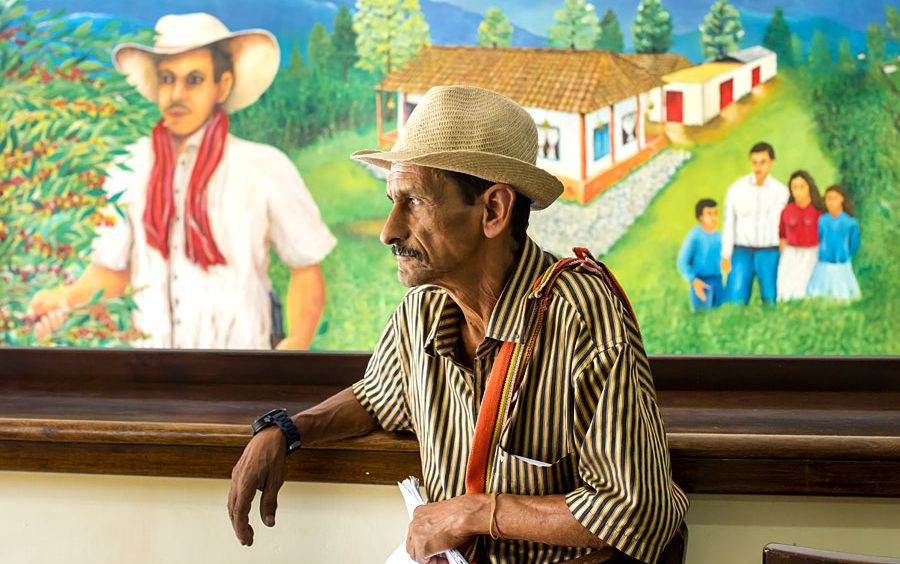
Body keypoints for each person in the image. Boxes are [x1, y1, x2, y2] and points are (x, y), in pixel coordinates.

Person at [227, 86, 687, 564]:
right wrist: (283, 432)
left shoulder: (580, 315)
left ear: (493, 211)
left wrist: (476, 513)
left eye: (415, 202)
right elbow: (378, 397)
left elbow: (641, 513)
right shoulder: (421, 310)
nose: (389, 230)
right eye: (392, 200)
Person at [26, 13, 335, 349]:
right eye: (167, 79)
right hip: (151, 373)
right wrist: (64, 300)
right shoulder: (128, 167)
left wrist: (295, 345)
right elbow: (110, 276)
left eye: (194, 80)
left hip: (240, 371)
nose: (176, 94)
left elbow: (305, 269)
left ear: (223, 85)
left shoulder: (263, 166)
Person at [720, 142, 789, 305]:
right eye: (755, 162)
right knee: (736, 300)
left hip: (769, 252)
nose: (758, 168)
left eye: (763, 162)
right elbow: (729, 223)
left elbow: (786, 226)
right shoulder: (736, 189)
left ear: (772, 162)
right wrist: (726, 254)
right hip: (742, 251)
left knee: (771, 298)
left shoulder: (781, 192)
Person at [807, 185, 861, 301]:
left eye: (834, 198)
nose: (831, 202)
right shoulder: (822, 220)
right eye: (828, 199)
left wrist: (845, 254)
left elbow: (854, 244)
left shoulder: (850, 222)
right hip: (824, 262)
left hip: (841, 263)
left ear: (842, 199)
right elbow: (819, 237)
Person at [777, 170, 824, 301]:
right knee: (787, 285)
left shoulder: (818, 211)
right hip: (791, 252)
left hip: (812, 252)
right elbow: (782, 234)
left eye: (801, 187)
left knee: (806, 284)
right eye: (794, 187)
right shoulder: (787, 210)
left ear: (809, 187)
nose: (798, 191)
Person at [677, 198, 724, 310]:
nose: (713, 218)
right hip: (701, 281)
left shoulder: (718, 237)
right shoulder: (694, 236)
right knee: (701, 316)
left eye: (715, 214)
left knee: (719, 315)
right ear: (701, 217)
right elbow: (682, 262)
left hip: (717, 281)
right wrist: (693, 280)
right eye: (709, 214)